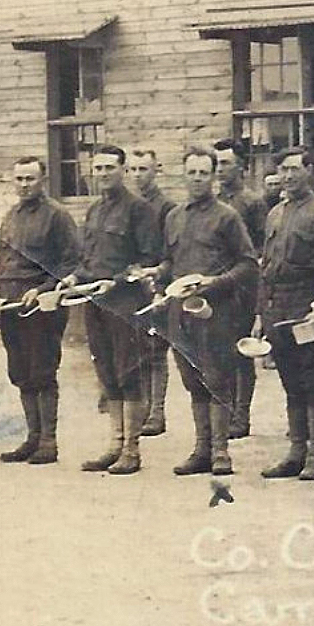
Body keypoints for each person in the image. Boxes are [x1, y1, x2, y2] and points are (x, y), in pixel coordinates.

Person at [158, 147, 258, 477]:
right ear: (183, 175)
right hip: (180, 312)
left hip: (215, 312)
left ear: (213, 176)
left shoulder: (227, 216)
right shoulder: (174, 216)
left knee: (216, 380)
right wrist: (157, 275)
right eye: (192, 172)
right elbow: (171, 261)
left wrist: (214, 282)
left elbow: (248, 264)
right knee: (192, 382)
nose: (198, 178)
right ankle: (201, 449)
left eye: (204, 173)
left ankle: (220, 452)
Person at [76, 145, 165, 474]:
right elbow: (88, 258)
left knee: (130, 372)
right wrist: (74, 276)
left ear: (123, 170)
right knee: (107, 373)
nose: (103, 174)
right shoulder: (95, 210)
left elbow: (147, 259)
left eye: (110, 167)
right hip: (95, 301)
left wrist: (116, 281)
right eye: (98, 168)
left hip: (126, 303)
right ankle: (114, 443)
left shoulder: (139, 209)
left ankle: (131, 449)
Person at [259, 147, 314, 481]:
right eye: (283, 169)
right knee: (291, 384)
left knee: (313, 381)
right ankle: (295, 451)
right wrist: (260, 312)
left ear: (309, 171)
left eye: (295, 169)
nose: (289, 175)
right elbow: (265, 265)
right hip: (278, 306)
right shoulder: (275, 214)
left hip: (307, 307)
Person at [0, 155, 79, 464]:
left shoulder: (57, 216)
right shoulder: (11, 215)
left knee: (43, 370)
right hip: (10, 305)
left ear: (43, 180)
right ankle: (31, 437)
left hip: (41, 307)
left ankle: (48, 441)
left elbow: (71, 262)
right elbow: (1, 257)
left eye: (30, 178)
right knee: (20, 371)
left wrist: (41, 289)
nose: (24, 185)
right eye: (19, 179)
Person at [213, 138, 270, 439]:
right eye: (217, 163)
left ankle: (241, 415)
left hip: (243, 287)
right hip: (218, 286)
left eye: (226, 163)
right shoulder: (215, 200)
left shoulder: (252, 202)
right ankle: (225, 409)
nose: (220, 169)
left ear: (241, 167)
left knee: (240, 352)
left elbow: (261, 247)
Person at [124, 148, 178, 437]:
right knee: (135, 349)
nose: (137, 176)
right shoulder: (127, 205)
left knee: (156, 350)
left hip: (156, 281)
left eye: (143, 169)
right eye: (132, 170)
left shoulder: (167, 207)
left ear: (156, 170)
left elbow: (168, 250)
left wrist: (158, 280)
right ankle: (141, 409)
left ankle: (157, 412)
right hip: (130, 283)